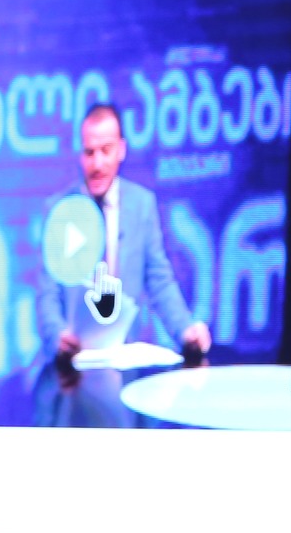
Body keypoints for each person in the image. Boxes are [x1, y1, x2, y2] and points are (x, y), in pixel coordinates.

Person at [34, 104, 210, 419]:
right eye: (89, 152)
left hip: (123, 373)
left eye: (106, 150)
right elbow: (47, 291)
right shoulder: (59, 210)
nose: (97, 163)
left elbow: (159, 280)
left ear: (121, 150)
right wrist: (57, 334)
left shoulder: (141, 205)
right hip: (72, 375)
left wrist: (185, 330)